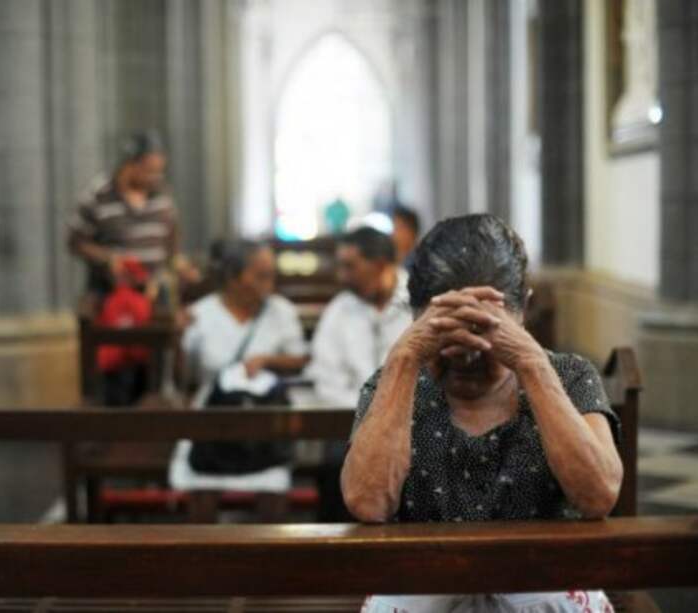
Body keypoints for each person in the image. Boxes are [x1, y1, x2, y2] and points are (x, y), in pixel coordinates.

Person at [342, 214, 622, 613]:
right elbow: (368, 503)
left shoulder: (569, 376)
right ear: (415, 316)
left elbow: (599, 496)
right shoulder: (391, 384)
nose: (468, 356)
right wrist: (403, 361)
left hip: (544, 583)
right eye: (448, 338)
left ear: (522, 310)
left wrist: (531, 363)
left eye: (485, 333)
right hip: (424, 584)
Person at [168, 239, 309, 504]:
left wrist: (267, 360)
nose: (270, 282)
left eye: (271, 275)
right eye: (261, 276)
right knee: (203, 487)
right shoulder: (201, 313)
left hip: (266, 416)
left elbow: (300, 359)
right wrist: (178, 340)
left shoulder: (281, 311)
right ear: (233, 278)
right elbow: (183, 378)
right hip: (213, 414)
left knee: (271, 487)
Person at [305, 226, 412, 520]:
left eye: (350, 266)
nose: (342, 275)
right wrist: (371, 412)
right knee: (333, 470)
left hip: (413, 421)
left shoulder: (418, 302)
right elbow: (326, 378)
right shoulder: (339, 311)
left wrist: (394, 411)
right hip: (348, 423)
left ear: (379, 265)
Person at [68, 132, 198, 310]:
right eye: (150, 171)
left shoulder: (162, 195)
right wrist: (109, 258)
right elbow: (76, 242)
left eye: (159, 171)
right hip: (111, 296)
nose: (156, 177)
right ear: (129, 165)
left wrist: (178, 264)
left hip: (154, 294)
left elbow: (171, 237)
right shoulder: (99, 195)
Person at [391, 205, 420, 270]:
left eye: (397, 228)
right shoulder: (396, 258)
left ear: (410, 231)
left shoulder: (419, 261)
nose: (393, 234)